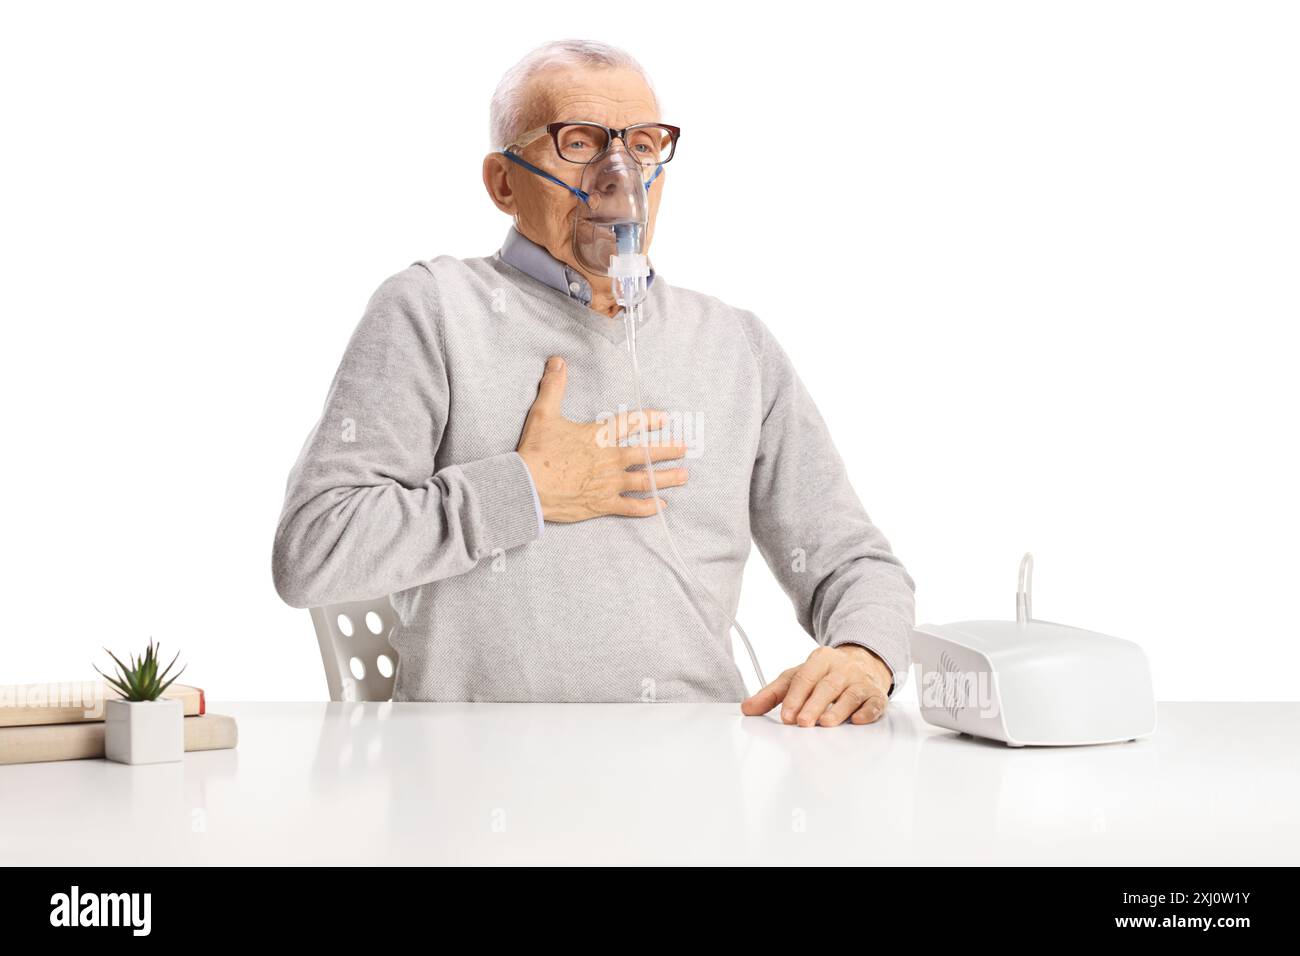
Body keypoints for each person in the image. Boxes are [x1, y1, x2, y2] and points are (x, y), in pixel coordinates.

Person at [273, 39, 915, 728]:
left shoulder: (735, 345)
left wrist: (863, 652)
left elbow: (852, 561)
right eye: (578, 143)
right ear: (503, 182)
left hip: (690, 778)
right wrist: (525, 488)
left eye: (642, 144)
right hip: (472, 784)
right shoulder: (433, 310)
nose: (619, 174)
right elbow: (315, 551)